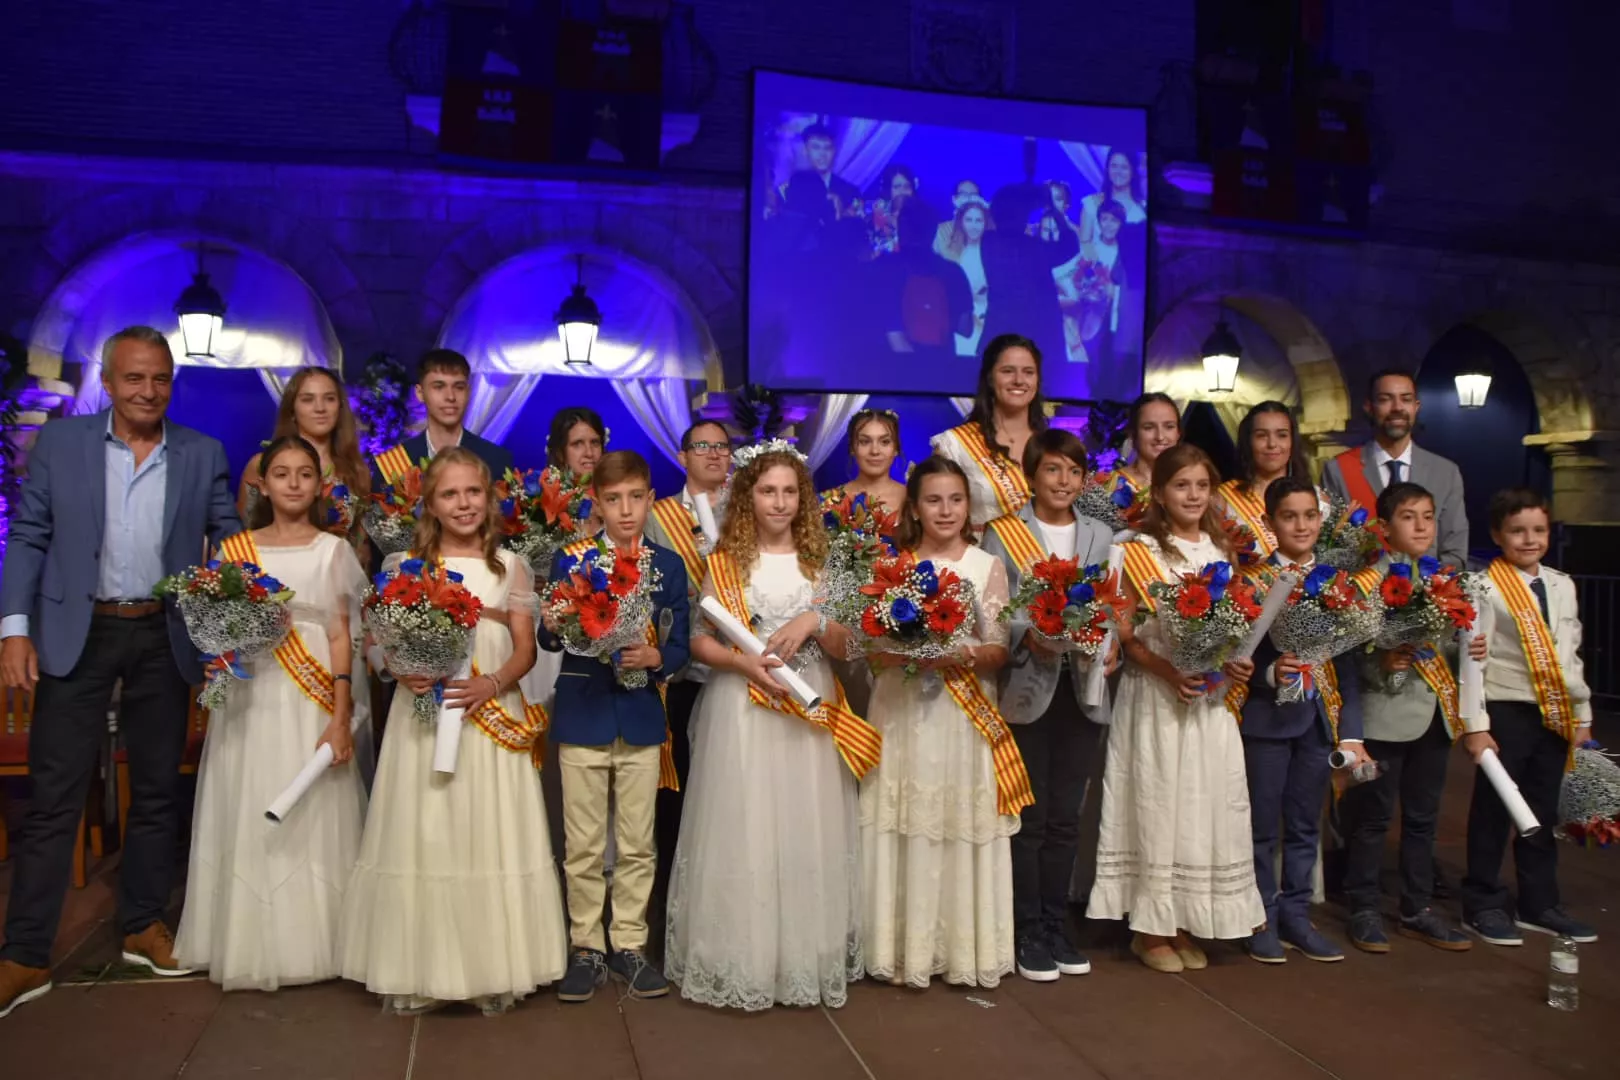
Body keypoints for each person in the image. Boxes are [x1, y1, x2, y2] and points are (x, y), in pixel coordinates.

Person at [0, 326, 241, 1020]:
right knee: (54, 797)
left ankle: (140, 923)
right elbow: (30, 536)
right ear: (109, 382)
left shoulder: (201, 453)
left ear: (172, 382)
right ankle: (25, 952)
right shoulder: (64, 444)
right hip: (77, 632)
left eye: (160, 379)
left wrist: (247, 598)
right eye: (134, 378)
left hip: (162, 633)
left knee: (159, 789)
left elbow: (228, 540)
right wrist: (15, 631)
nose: (148, 391)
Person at [339, 448, 567, 1015]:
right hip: (420, 718)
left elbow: (524, 647)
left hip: (486, 713)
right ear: (431, 505)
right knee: (428, 826)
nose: (463, 504)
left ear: (488, 498)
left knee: (484, 825)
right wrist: (398, 668)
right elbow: (374, 643)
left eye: (473, 493)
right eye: (450, 495)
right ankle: (420, 964)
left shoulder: (508, 565)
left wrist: (492, 684)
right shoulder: (401, 567)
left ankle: (491, 963)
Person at [666, 442, 875, 1010]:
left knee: (808, 819)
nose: (779, 502)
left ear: (802, 497)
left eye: (789, 491)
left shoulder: (822, 559)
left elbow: (848, 645)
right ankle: (741, 954)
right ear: (747, 496)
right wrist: (744, 663)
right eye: (767, 490)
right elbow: (700, 641)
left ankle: (806, 952)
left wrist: (813, 619)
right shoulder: (727, 563)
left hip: (809, 707)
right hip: (744, 704)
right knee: (746, 821)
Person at [175, 436, 368, 990]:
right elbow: (215, 630)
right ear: (261, 483)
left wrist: (339, 712)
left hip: (309, 703)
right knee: (249, 797)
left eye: (304, 473)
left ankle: (319, 941)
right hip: (252, 697)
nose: (292, 483)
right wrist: (215, 660)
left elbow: (340, 635)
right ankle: (246, 940)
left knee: (313, 810)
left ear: (318, 483)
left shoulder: (334, 550)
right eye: (280, 473)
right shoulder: (235, 550)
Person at [1089, 443, 1265, 974]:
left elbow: (1233, 634)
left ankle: (1186, 918)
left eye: (1202, 485)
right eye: (1181, 485)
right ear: (1160, 493)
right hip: (1157, 697)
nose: (1193, 495)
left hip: (1209, 703)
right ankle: (1150, 928)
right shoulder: (1136, 550)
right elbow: (1125, 636)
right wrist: (1171, 671)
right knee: (1159, 799)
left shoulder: (1221, 552)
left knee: (1202, 804)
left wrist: (1237, 665)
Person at [860, 457, 1023, 989]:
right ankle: (894, 949)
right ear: (915, 506)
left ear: (968, 506)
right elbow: (871, 652)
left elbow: (998, 649)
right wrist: (905, 648)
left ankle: (959, 950)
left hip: (961, 717)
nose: (946, 510)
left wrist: (952, 653)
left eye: (955, 499)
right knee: (901, 819)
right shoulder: (891, 566)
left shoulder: (987, 565)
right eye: (934, 500)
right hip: (902, 714)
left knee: (954, 824)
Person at [540, 450, 690, 1003]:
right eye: (612, 499)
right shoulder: (572, 559)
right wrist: (552, 624)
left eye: (635, 497)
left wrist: (658, 659)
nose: (625, 510)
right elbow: (549, 639)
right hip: (583, 711)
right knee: (581, 844)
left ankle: (629, 943)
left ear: (650, 499)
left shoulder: (668, 566)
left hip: (642, 716)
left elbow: (679, 645)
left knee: (637, 843)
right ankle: (586, 947)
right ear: (597, 504)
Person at [979, 430, 1115, 983]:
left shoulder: (1102, 534)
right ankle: (1026, 929)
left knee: (1065, 818)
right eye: (1053, 470)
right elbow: (991, 605)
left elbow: (1112, 603)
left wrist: (1110, 647)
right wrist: (1027, 636)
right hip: (1026, 686)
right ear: (1032, 475)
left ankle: (1058, 924)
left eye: (1073, 472)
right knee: (1029, 820)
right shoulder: (1004, 534)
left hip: (1082, 691)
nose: (1063, 482)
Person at [1338, 481, 1485, 954]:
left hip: (1434, 715)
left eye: (1428, 516)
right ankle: (1361, 905)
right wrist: (1379, 660)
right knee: (1373, 818)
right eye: (1409, 517)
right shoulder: (1364, 584)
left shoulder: (1445, 580)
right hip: (1383, 718)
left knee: (1423, 819)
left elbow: (1451, 649)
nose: (1421, 526)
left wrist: (1471, 649)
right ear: (1384, 528)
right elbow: (1344, 654)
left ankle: (1416, 907)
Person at [1236, 476, 1368, 965]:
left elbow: (1348, 665)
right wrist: (1271, 672)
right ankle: (1261, 916)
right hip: (1266, 720)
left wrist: (1350, 732)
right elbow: (1237, 660)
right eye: (1289, 516)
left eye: (1309, 515)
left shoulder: (1338, 582)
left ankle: (1297, 914)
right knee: (1262, 827)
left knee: (1304, 824)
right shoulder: (1251, 581)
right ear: (1270, 523)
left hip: (1318, 721)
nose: (1301, 525)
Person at [1460, 489, 1598, 946]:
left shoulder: (1562, 584)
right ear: (1498, 534)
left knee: (1542, 808)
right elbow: (1473, 663)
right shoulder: (1484, 586)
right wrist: (1476, 726)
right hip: (1506, 708)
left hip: (1555, 712)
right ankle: (1481, 902)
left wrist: (1582, 718)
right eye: (1517, 531)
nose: (1529, 539)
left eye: (1538, 530)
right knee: (1496, 811)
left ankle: (1538, 903)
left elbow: (1571, 657)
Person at [644, 420, 731, 876]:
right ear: (683, 457)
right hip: (681, 669)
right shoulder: (658, 516)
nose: (714, 454)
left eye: (721, 447)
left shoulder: (748, 511)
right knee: (679, 778)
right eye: (702, 446)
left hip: (736, 664)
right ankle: (676, 877)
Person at [1321, 368, 1467, 568]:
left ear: (1416, 407)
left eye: (1406, 399)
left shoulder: (1445, 473)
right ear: (1369, 407)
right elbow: (1329, 546)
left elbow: (1455, 552)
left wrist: (1424, 592)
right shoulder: (1338, 469)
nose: (1397, 407)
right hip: (1361, 591)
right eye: (1385, 399)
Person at [237, 367, 371, 540]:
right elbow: (243, 536)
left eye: (329, 399)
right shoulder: (261, 465)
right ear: (292, 409)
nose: (320, 408)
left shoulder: (357, 470)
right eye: (308, 400)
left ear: (340, 407)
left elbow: (362, 545)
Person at [931, 335, 1047, 529]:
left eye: (1028, 372)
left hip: (1045, 557)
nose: (1019, 380)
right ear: (990, 378)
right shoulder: (956, 445)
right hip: (979, 555)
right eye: (1007, 371)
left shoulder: (1052, 444)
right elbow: (934, 518)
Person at [371, 349, 513, 487]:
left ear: (468, 392)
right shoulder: (392, 466)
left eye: (459, 387)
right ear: (420, 393)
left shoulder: (497, 460)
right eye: (439, 387)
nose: (450, 397)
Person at [1218, 401, 1316, 558]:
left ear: (1292, 441)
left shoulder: (1317, 497)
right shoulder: (1223, 499)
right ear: (1248, 442)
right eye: (1261, 436)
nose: (1272, 444)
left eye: (1282, 435)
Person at [879, 201, 975, 363]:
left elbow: (891, 333)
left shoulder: (883, 270)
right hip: (942, 371)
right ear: (933, 230)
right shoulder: (953, 272)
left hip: (891, 374)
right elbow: (965, 328)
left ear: (903, 229)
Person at [821, 407, 906, 516]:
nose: (875, 451)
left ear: (896, 448)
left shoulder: (914, 499)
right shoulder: (828, 501)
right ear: (852, 448)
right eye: (865, 442)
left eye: (885, 442)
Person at [779, 123, 861, 227]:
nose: (822, 154)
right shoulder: (794, 184)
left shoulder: (851, 191)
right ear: (805, 150)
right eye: (816, 147)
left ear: (834, 151)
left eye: (827, 148)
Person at [546, 406, 606, 482]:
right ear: (559, 453)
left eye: (595, 443)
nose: (589, 453)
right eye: (577, 444)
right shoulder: (542, 492)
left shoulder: (620, 489)